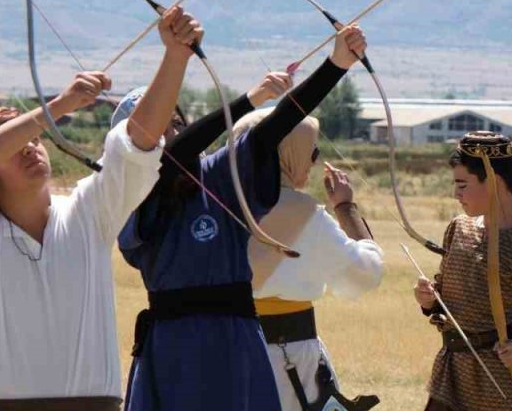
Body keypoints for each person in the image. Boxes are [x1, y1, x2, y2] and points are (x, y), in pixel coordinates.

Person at [0, 7, 204, 411]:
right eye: (13, 143)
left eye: (35, 138)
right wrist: (60, 106)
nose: (30, 146)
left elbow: (137, 142)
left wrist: (175, 56)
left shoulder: (88, 211)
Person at [117, 25, 369, 411]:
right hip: (175, 350)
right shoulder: (129, 194)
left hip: (236, 343)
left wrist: (336, 65)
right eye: (156, 126)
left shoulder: (220, 175)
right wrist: (248, 99)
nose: (170, 132)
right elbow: (168, 162)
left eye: (178, 121)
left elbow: (275, 128)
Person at [414, 132, 512, 411]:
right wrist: (428, 300)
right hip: (449, 373)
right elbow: (445, 296)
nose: (457, 193)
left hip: (498, 383)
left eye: (463, 184)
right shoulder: (458, 228)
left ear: (495, 182)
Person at [234, 108, 383, 411]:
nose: (312, 161)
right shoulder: (307, 216)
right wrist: (346, 208)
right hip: (290, 360)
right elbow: (364, 274)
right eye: (310, 152)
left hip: (221, 352)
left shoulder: (213, 204)